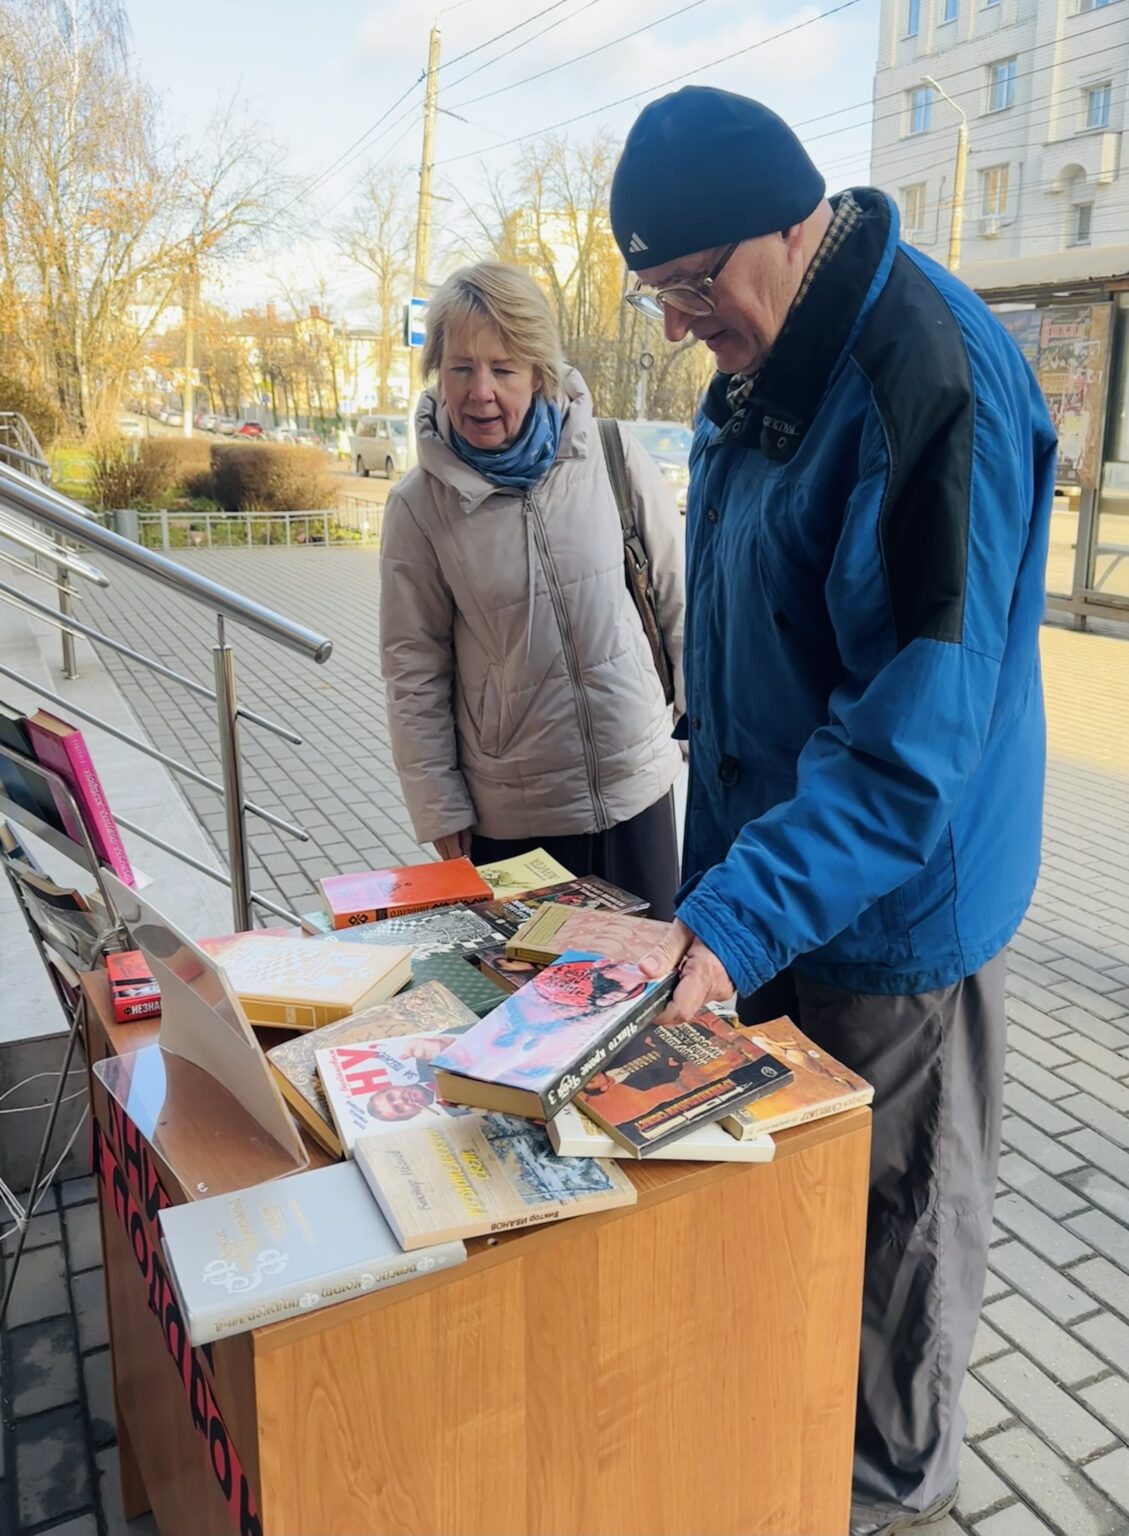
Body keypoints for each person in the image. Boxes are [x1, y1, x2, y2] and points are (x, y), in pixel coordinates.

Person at [610, 87, 1056, 1536]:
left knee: (896, 1244)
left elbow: (905, 743)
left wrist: (730, 917)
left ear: (787, 226)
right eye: (656, 295)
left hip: (895, 916)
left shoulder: (928, 376)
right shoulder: (756, 365)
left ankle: (888, 1493)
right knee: (783, 1214)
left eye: (691, 284)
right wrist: (722, 901)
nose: (677, 324)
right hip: (772, 884)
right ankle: (784, 1453)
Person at [379, 261, 686, 917]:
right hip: (516, 815)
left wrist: (705, 730)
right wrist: (439, 805)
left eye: (503, 368)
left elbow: (677, 598)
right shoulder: (418, 506)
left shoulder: (612, 454)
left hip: (637, 788)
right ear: (437, 372)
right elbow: (413, 667)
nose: (480, 392)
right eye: (460, 368)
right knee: (537, 982)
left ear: (539, 373)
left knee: (649, 973)